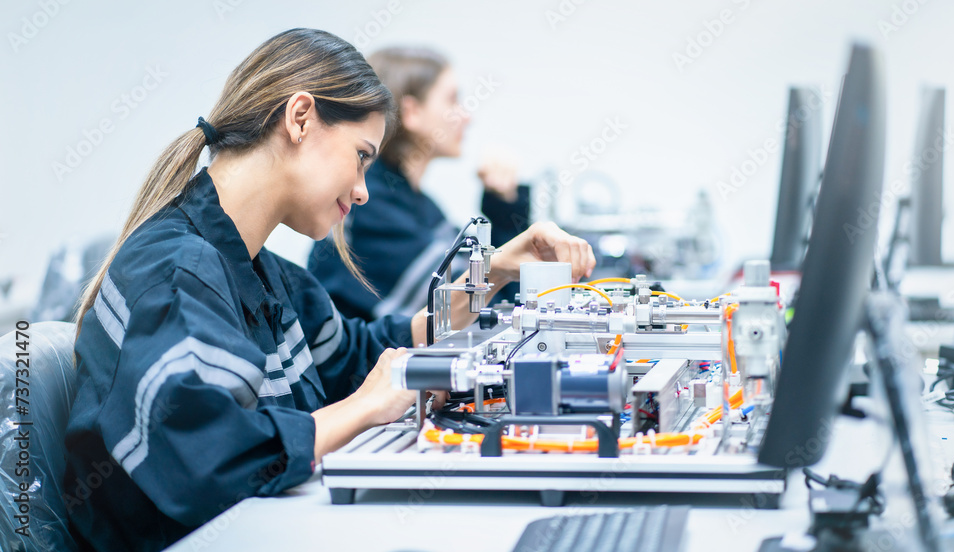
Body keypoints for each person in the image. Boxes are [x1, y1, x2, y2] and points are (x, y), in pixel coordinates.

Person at [64, 29, 594, 552]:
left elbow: (361, 354)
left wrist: (495, 271)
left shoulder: (266, 273)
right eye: (362, 156)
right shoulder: (177, 270)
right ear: (300, 119)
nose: (363, 190)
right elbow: (209, 464)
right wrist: (365, 407)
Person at [307, 47, 530, 322]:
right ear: (412, 111)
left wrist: (504, 203)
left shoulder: (418, 204)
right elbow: (476, 309)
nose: (466, 117)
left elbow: (491, 283)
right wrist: (507, 218)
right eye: (452, 100)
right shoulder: (369, 206)